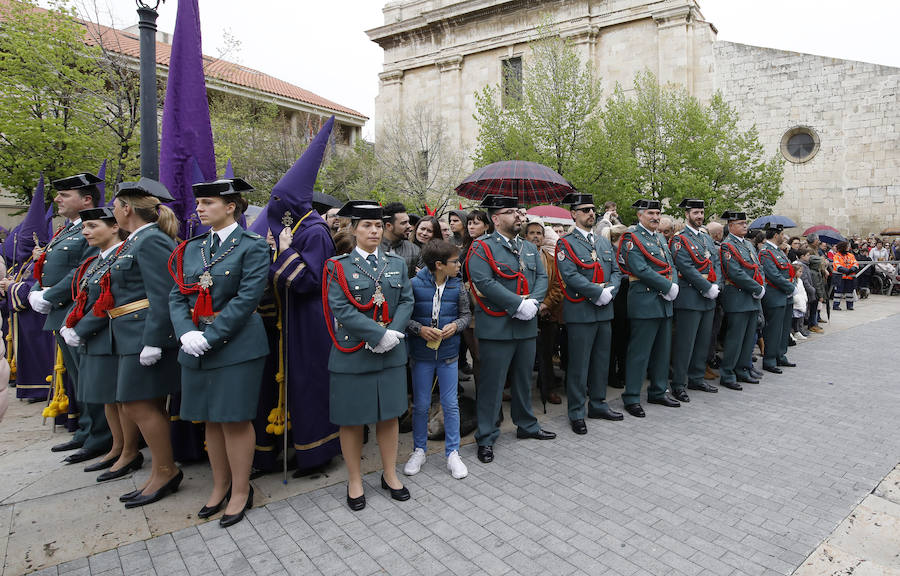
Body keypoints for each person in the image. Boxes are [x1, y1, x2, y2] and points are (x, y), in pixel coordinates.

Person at [64, 178, 180, 507]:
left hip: (143, 335)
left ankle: (166, 471)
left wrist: (155, 340)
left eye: (116, 206)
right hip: (129, 334)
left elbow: (163, 293)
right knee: (139, 404)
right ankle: (160, 470)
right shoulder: (136, 242)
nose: (114, 211)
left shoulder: (150, 241)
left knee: (138, 405)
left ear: (127, 209)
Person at [169, 177, 270, 525]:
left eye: (208, 203)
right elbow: (178, 295)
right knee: (209, 417)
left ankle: (241, 490)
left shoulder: (253, 246)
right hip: (196, 343)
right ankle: (220, 485)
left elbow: (247, 298)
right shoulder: (192, 247)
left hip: (236, 344)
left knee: (234, 418)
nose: (199, 209)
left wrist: (210, 336)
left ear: (231, 207)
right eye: (199, 204)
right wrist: (185, 333)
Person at [322, 201, 414, 511]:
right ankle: (355, 479)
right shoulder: (337, 266)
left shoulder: (396, 263)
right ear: (353, 229)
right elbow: (341, 308)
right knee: (352, 421)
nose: (373, 231)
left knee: (389, 416)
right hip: (353, 354)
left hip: (390, 352)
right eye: (366, 226)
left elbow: (406, 301)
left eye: (377, 226)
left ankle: (389, 474)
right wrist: (376, 335)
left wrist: (392, 334)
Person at [262, 118, 341, 475]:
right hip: (292, 318)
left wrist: (283, 252)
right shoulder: (294, 229)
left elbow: (309, 280)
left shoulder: (314, 231)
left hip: (311, 320)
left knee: (310, 383)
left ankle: (317, 451)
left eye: (279, 199)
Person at [29, 173, 111, 463]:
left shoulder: (91, 230)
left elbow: (82, 272)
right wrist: (36, 291)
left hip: (80, 312)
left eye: (65, 195)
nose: (58, 199)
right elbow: (47, 267)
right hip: (61, 314)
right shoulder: (65, 231)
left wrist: (48, 296)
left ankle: (101, 436)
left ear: (86, 199)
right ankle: (87, 431)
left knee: (89, 377)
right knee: (77, 377)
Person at [466, 195, 554, 464]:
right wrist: (517, 304)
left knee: (524, 379)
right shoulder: (482, 247)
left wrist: (535, 303)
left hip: (526, 326)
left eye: (518, 211)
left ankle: (526, 424)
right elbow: (483, 281)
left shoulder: (528, 248)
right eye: (510, 212)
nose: (518, 215)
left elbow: (540, 276)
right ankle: (487, 435)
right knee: (492, 384)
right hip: (498, 327)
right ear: (495, 218)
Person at [64, 207, 142, 482]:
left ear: (113, 227)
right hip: (98, 336)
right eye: (85, 227)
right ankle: (117, 446)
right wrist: (70, 322)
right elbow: (85, 295)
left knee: (122, 400)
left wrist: (81, 326)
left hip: (112, 332)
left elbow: (110, 300)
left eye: (93, 225)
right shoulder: (98, 259)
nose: (86, 231)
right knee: (108, 398)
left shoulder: (123, 255)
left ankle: (130, 450)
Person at [554, 193, 622, 434]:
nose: (591, 213)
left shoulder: (603, 242)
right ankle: (576, 411)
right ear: (574, 214)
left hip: (604, 311)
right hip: (581, 311)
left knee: (602, 362)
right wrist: (597, 292)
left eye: (592, 209)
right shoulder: (566, 243)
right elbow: (570, 276)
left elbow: (616, 270)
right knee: (579, 365)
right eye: (584, 210)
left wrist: (610, 292)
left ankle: (598, 404)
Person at [403, 240, 471, 479]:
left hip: (449, 354)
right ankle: (419, 449)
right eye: (454, 261)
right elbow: (403, 317)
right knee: (421, 405)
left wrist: (456, 325)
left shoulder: (458, 286)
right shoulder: (412, 285)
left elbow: (465, 315)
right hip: (421, 355)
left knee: (450, 404)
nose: (459, 265)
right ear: (439, 265)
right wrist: (419, 329)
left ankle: (453, 452)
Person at [616, 199, 680, 417]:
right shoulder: (631, 238)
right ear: (640, 215)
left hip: (663, 302)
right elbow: (639, 268)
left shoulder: (660, 238)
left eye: (658, 213)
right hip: (645, 301)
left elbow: (671, 265)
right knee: (639, 353)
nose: (655, 217)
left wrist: (673, 287)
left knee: (663, 351)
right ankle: (632, 397)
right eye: (651, 213)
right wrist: (666, 286)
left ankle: (658, 390)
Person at [669, 199, 721, 399]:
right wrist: (706, 287)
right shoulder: (679, 239)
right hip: (690, 297)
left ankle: (697, 378)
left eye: (701, 212)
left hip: (708, 297)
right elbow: (685, 266)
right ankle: (679, 383)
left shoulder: (707, 238)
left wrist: (716, 286)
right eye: (696, 213)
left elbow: (715, 262)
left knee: (703, 341)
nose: (699, 216)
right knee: (685, 343)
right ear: (687, 215)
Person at [718, 210, 766, 390]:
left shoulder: (748, 244)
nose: (745, 226)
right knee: (735, 339)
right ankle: (728, 373)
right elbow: (734, 272)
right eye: (740, 223)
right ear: (730, 226)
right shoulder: (727, 246)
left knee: (748, 338)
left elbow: (758, 268)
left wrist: (761, 287)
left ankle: (742, 368)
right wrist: (756, 288)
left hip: (751, 298)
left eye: (745, 223)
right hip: (737, 297)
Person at [525, 221, 563, 408]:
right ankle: (522, 394)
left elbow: (558, 285)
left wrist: (546, 304)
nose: (536, 236)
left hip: (547, 314)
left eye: (539, 233)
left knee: (547, 354)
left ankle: (548, 389)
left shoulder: (550, 258)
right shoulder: (519, 258)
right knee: (525, 356)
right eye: (531, 233)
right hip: (523, 314)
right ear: (525, 236)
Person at [757, 224, 797, 373]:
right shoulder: (766, 252)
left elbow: (788, 271)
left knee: (784, 328)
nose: (784, 236)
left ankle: (780, 354)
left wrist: (791, 284)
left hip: (785, 296)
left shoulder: (778, 251)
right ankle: (769, 359)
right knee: (773, 330)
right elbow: (773, 275)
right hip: (775, 295)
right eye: (782, 234)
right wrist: (790, 287)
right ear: (776, 235)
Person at [460, 210, 492, 388]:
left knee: (482, 354)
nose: (471, 226)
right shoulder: (467, 246)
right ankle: (482, 393)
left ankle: (489, 394)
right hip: (466, 306)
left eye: (476, 223)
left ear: (487, 226)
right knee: (475, 353)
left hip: (483, 305)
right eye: (470, 223)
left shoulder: (488, 246)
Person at [381, 202, 419, 279]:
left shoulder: (415, 250)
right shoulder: (371, 248)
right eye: (403, 223)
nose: (409, 226)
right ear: (389, 226)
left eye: (408, 222)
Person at [832, 241, 859, 310]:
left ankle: (850, 305)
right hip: (840, 277)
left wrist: (852, 269)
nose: (849, 247)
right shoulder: (836, 256)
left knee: (850, 292)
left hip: (850, 277)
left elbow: (855, 264)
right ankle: (836, 305)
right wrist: (847, 271)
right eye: (847, 246)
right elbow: (837, 266)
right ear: (843, 247)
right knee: (838, 292)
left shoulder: (851, 255)